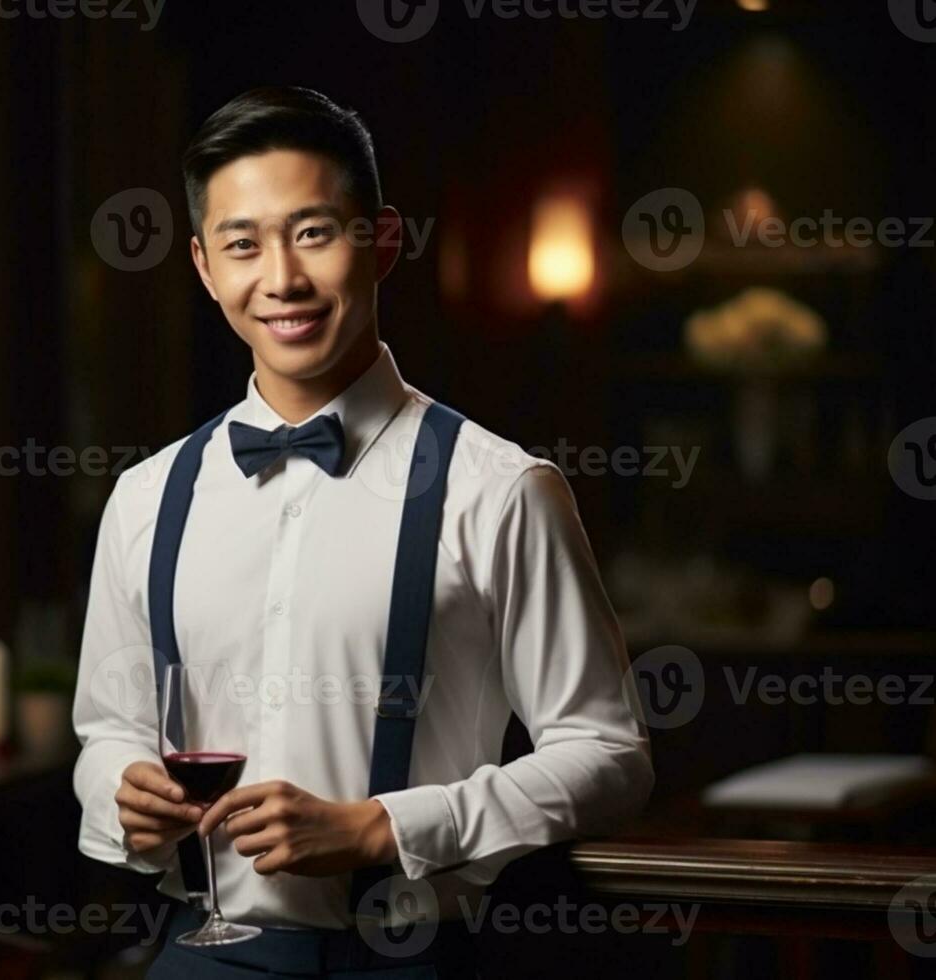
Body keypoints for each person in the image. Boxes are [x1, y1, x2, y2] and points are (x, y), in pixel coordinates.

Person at [72, 85, 654, 978]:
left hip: (411, 956)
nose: (282, 280)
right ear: (202, 266)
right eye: (243, 244)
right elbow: (107, 729)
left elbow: (609, 757)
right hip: (198, 955)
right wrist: (122, 793)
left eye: (313, 233)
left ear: (381, 243)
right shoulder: (147, 497)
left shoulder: (498, 490)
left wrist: (387, 825)